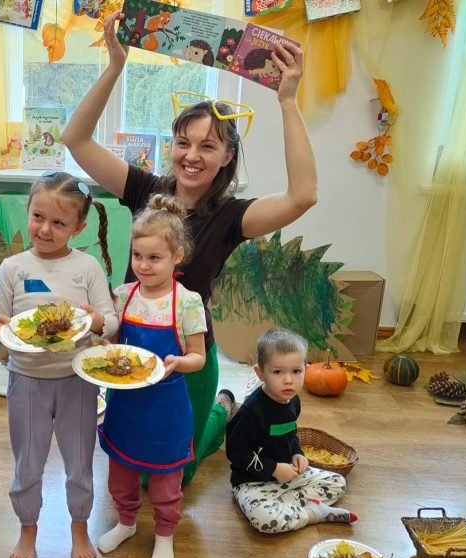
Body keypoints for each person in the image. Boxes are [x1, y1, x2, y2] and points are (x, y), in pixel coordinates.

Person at [61, 12, 318, 486]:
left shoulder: (231, 216)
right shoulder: (143, 189)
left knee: (179, 473)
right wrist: (116, 66)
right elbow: (74, 140)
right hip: (134, 346)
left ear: (227, 157)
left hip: (192, 355)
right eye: (183, 142)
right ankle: (209, 414)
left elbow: (303, 195)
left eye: (208, 146)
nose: (192, 155)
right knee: (131, 466)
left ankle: (221, 410)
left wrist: (287, 101)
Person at [0, 172, 120, 558]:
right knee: (28, 462)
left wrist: (97, 322)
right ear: (27, 213)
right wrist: (1, 326)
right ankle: (28, 528)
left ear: (78, 227)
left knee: (80, 462)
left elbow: (110, 322)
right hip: (26, 379)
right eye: (38, 216)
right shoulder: (12, 267)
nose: (45, 229)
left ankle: (80, 524)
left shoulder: (88, 267)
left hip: (77, 380)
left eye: (59, 223)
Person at [96, 195, 206, 558]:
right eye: (137, 256)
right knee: (120, 477)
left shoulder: (187, 303)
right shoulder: (123, 296)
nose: (143, 265)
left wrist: (180, 362)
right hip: (124, 408)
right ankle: (126, 523)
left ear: (177, 256)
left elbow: (199, 356)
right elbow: (112, 342)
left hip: (166, 411)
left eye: (154, 258)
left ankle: (164, 535)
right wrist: (104, 347)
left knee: (164, 485)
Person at [225, 328, 357, 534]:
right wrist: (273, 469)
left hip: (290, 476)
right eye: (278, 372)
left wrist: (297, 452)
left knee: (337, 482)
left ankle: (287, 508)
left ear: (305, 368)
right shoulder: (252, 411)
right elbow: (236, 452)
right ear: (260, 372)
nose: (289, 380)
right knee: (265, 520)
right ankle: (313, 513)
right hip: (252, 483)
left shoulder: (293, 400)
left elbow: (290, 432)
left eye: (296, 371)